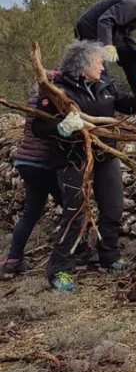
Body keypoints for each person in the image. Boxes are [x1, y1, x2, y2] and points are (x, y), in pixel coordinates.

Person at [32, 41, 136, 291]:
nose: (102, 66)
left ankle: (109, 257)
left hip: (105, 157)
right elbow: (38, 127)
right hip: (72, 159)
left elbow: (127, 105)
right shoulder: (57, 90)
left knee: (113, 207)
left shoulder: (106, 85)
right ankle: (60, 270)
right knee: (76, 213)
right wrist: (61, 129)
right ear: (82, 66)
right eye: (98, 62)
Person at [1, 78, 60, 277]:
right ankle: (74, 252)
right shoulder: (49, 102)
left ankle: (13, 259)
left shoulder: (34, 100)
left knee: (31, 213)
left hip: (26, 162)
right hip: (42, 164)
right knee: (72, 207)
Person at [74, 0, 136, 92]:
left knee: (132, 54)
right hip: (89, 30)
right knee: (97, 67)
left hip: (107, 31)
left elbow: (125, 32)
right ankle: (106, 99)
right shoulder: (133, 5)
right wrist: (108, 45)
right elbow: (105, 21)